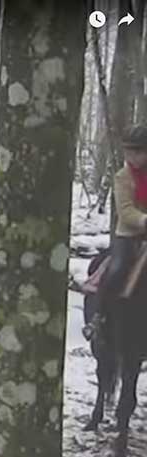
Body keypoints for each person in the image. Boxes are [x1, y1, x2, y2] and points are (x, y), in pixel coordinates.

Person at [85, 124, 147, 342]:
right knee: (117, 269)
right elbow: (126, 211)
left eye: (138, 151)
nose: (132, 156)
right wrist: (144, 220)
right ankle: (99, 316)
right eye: (129, 151)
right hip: (128, 236)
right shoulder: (123, 177)